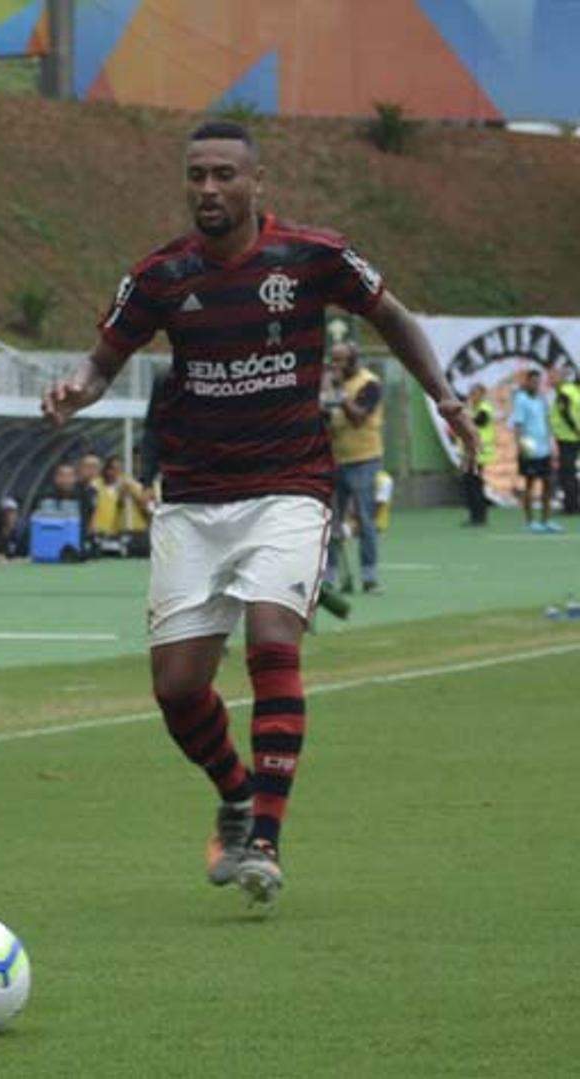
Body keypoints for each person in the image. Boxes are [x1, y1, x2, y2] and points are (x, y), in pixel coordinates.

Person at [41, 120, 477, 911]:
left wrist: (445, 396)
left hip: (289, 486)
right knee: (178, 689)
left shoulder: (312, 256)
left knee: (273, 639)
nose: (209, 189)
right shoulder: (159, 276)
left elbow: (395, 316)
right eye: (197, 176)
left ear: (256, 182)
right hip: (193, 498)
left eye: (224, 176)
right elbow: (100, 362)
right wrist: (75, 389)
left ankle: (267, 840)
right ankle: (235, 794)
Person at [323, 343, 385, 591]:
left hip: (364, 459)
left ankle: (369, 577)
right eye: (333, 360)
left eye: (341, 361)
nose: (335, 366)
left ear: (353, 362)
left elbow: (358, 418)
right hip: (335, 459)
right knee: (331, 520)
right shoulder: (328, 384)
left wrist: (338, 391)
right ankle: (330, 577)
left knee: (365, 519)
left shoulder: (370, 383)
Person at [511, 368, 560, 532]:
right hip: (529, 448)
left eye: (538, 381)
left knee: (549, 484)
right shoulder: (521, 399)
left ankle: (546, 521)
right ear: (527, 382)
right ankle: (530, 522)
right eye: (533, 381)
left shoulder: (542, 400)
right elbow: (517, 425)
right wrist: (521, 446)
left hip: (544, 448)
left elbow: (547, 423)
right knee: (530, 485)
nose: (536, 384)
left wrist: (552, 444)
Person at [90, 454, 152, 557]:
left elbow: (147, 507)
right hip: (110, 532)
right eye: (113, 469)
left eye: (119, 469)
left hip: (136, 532)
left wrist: (132, 493)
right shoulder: (96, 486)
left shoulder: (131, 484)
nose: (116, 473)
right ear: (106, 470)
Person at [464, 383, 495, 526]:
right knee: (469, 483)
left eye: (475, 393)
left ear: (482, 395)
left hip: (479, 453)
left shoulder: (484, 409)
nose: (472, 396)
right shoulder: (474, 409)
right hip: (471, 452)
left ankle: (480, 515)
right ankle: (474, 514)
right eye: (471, 393)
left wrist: (468, 409)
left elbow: (476, 422)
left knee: (475, 483)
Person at [550, 366, 580, 516]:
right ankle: (572, 503)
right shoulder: (576, 392)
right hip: (573, 437)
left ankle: (571, 506)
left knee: (567, 473)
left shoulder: (565, 392)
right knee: (571, 472)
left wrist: (575, 428)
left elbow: (565, 413)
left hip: (567, 437)